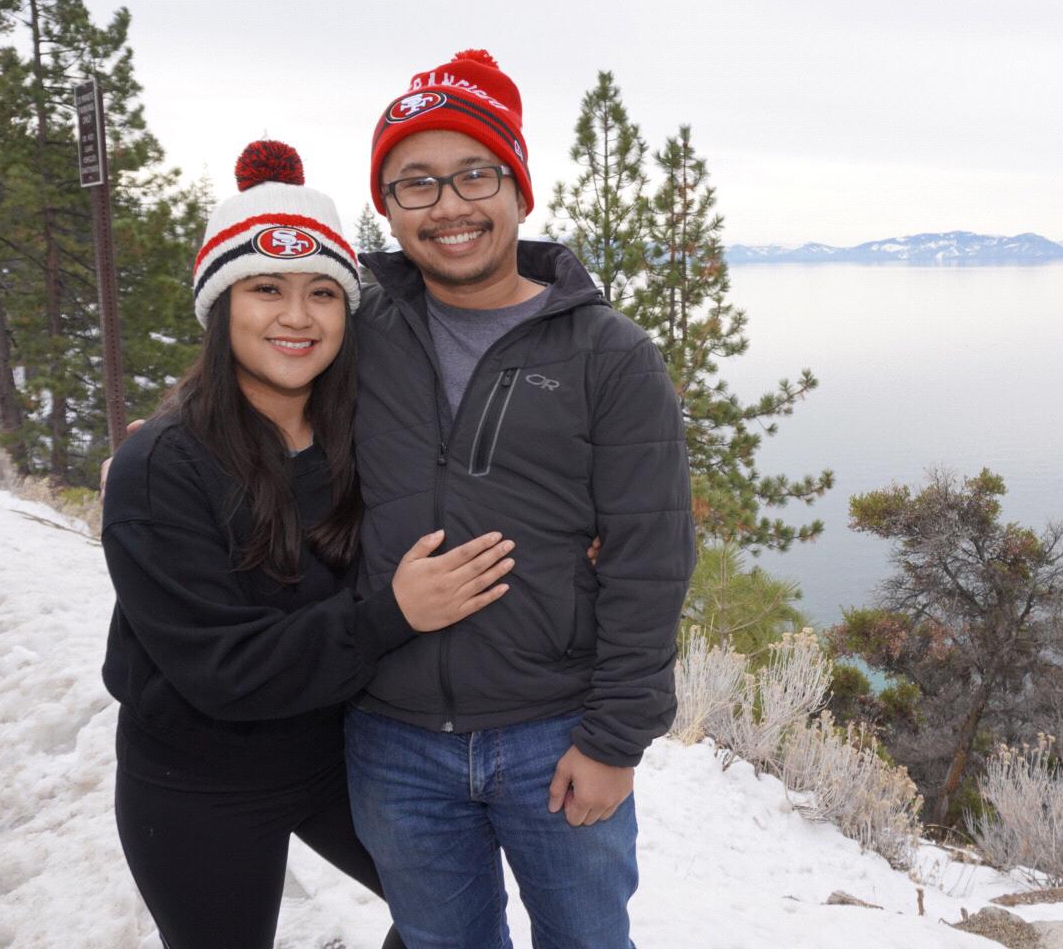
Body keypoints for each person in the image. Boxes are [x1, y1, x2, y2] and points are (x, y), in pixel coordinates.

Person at [100, 141, 517, 949]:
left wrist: (579, 542)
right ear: (221, 307)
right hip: (199, 778)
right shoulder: (162, 467)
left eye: (323, 292)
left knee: (452, 920)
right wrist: (393, 613)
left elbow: (466, 502)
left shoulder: (362, 435)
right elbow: (223, 670)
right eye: (266, 289)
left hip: (342, 751)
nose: (297, 317)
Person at [343, 49, 696, 948]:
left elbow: (651, 556)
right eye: (416, 183)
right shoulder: (356, 329)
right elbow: (257, 380)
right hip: (392, 734)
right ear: (388, 205)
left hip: (555, 730)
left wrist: (614, 740)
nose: (449, 205)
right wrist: (157, 448)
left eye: (475, 174)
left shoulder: (607, 352)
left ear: (518, 190)